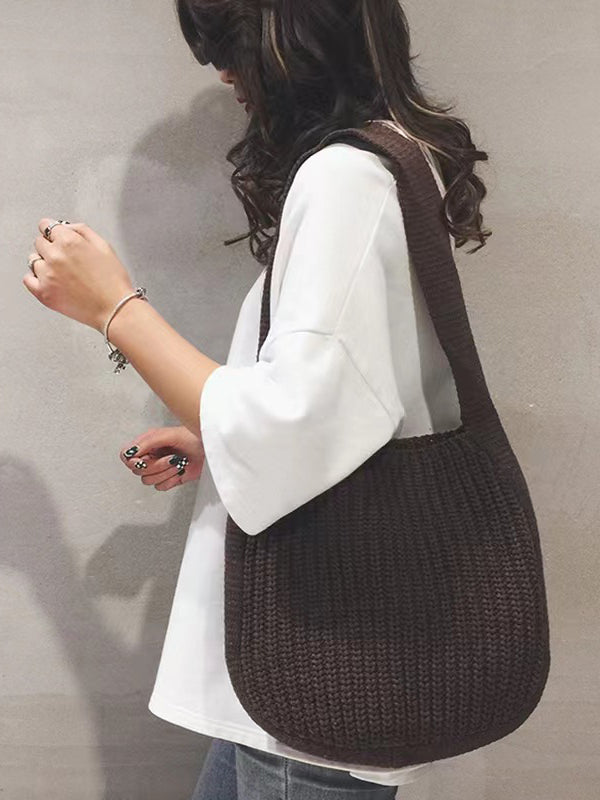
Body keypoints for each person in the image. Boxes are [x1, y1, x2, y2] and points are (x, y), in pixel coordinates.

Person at [23, 0, 491, 797]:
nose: (220, 72)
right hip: (301, 669)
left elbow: (290, 427)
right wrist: (219, 437)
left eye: (226, 42)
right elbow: (345, 397)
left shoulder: (345, 179)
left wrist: (114, 308)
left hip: (314, 666)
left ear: (290, 32)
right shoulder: (393, 157)